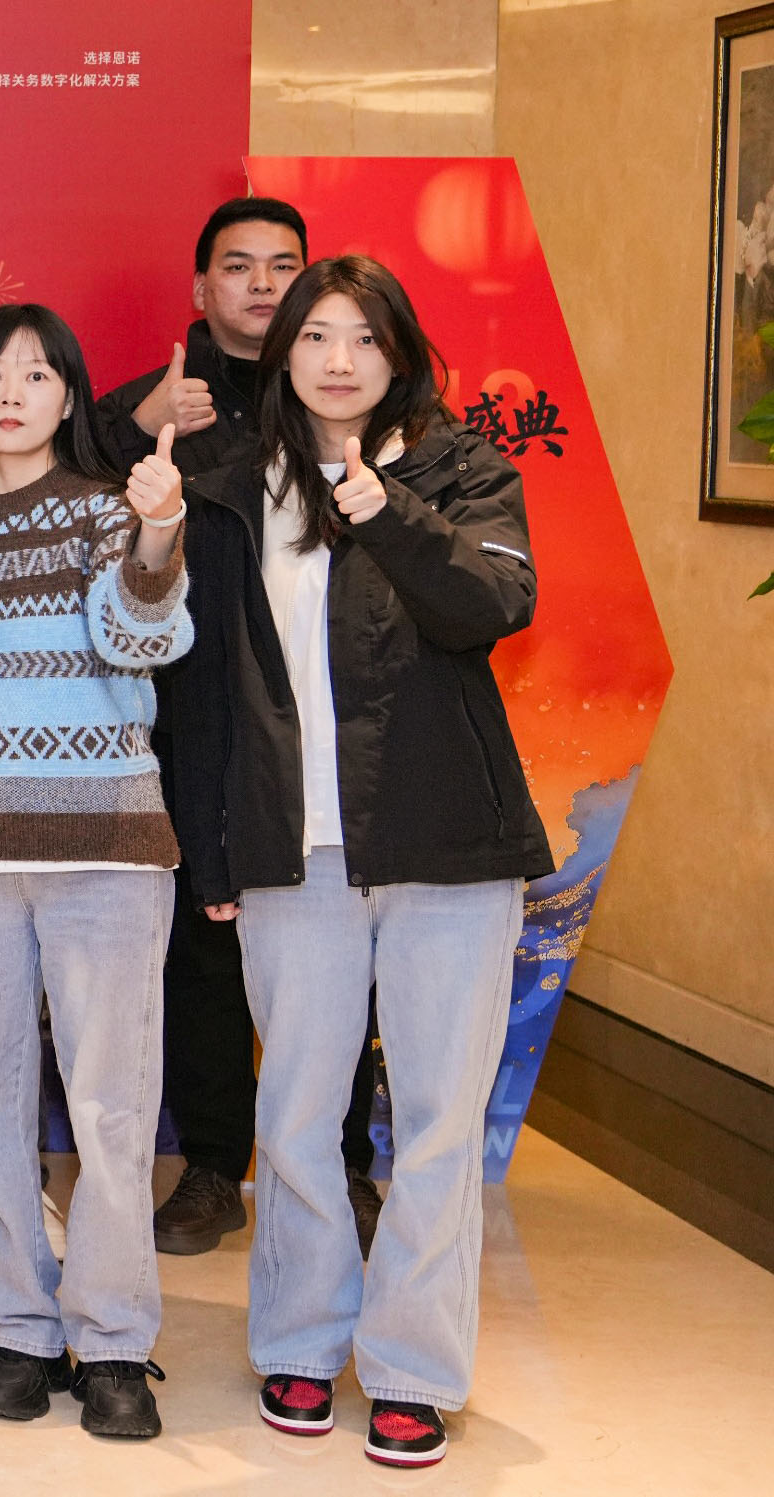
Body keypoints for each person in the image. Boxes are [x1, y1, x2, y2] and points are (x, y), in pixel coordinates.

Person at [170, 256, 545, 1470]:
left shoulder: (461, 468)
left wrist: (385, 509)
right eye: (315, 336)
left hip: (449, 845)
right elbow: (203, 690)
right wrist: (214, 846)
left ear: (402, 356)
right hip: (296, 854)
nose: (340, 360)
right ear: (281, 355)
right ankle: (299, 1339)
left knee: (436, 1121)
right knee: (295, 1113)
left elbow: (491, 608)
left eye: (365, 338)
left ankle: (412, 1371)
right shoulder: (229, 489)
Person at [0, 302, 192, 1444]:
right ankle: (18, 1321)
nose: (11, 392)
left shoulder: (107, 511)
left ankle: (112, 1340)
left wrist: (158, 533)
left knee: (109, 1107)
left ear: (70, 395)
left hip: (104, 849)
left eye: (37, 374)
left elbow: (141, 638)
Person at [97, 198, 385, 1259]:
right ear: (199, 288)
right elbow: (65, 477)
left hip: (322, 726)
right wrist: (137, 421)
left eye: (283, 265)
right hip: (191, 714)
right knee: (204, 949)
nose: (263, 284)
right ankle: (215, 1164)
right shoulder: (157, 400)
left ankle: (341, 1163)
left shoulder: (344, 401)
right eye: (238, 265)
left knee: (335, 953)